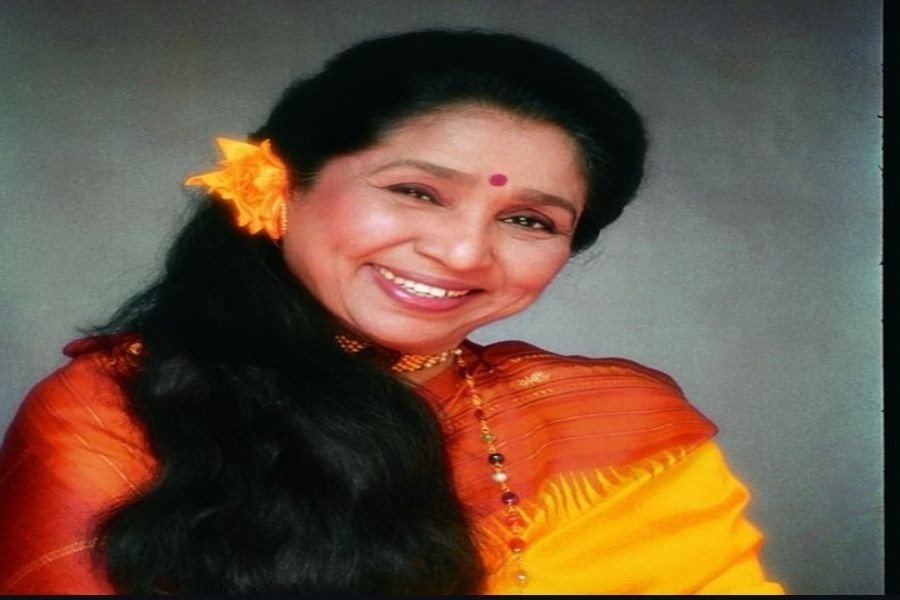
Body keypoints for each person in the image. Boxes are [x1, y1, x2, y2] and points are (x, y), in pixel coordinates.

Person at [0, 29, 784, 594]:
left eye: (528, 220)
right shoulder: (116, 413)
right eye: (416, 191)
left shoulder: (622, 426)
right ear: (283, 183)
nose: (464, 253)